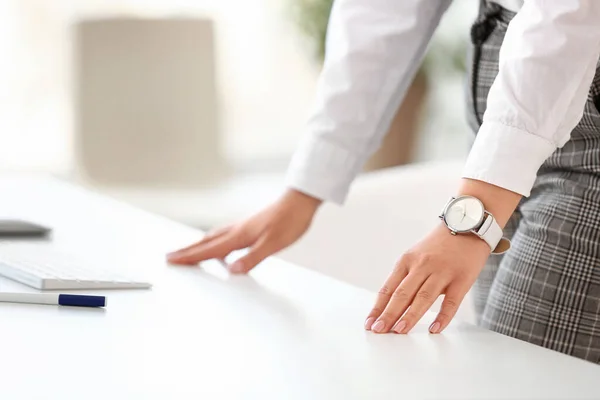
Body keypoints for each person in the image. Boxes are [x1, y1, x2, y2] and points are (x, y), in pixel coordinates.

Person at [167, 0, 600, 363]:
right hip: (505, 71)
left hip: (571, 66)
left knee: (518, 374)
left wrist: (473, 214)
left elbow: (569, 16)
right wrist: (307, 186)